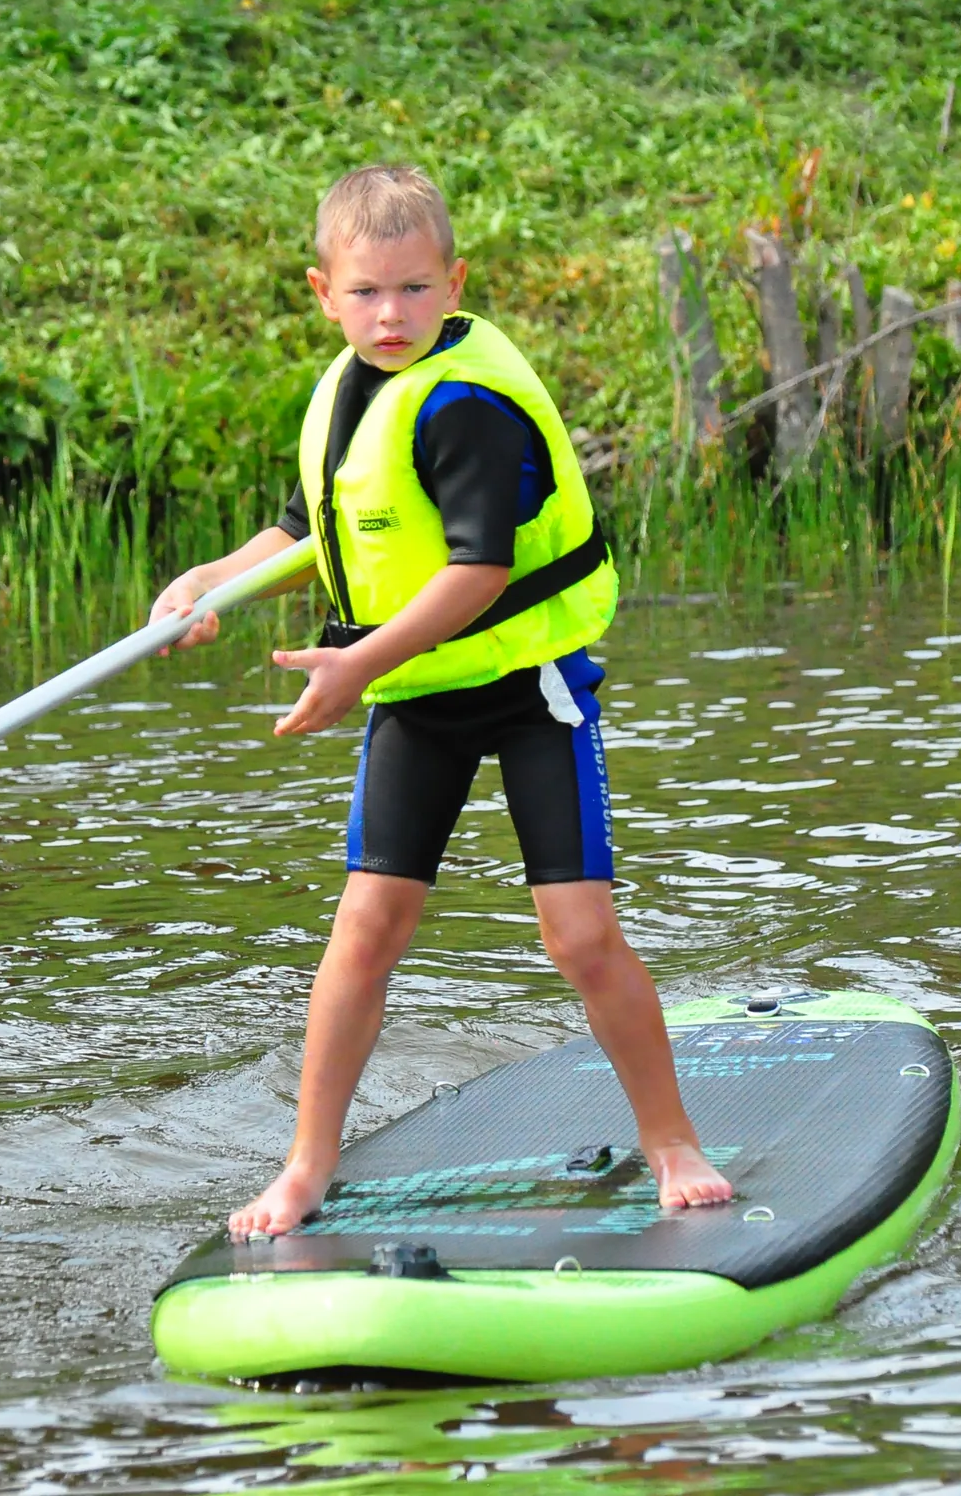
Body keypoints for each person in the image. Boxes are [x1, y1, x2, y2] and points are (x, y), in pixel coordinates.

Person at [151, 164, 734, 1238]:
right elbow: (299, 533)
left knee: (579, 936)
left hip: (525, 687)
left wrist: (357, 663)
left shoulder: (463, 404)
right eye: (367, 292)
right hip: (417, 692)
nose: (391, 315)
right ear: (321, 293)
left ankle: (670, 1139)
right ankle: (307, 1164)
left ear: (453, 282)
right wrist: (206, 584)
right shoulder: (347, 389)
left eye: (416, 290)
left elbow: (475, 570)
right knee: (363, 930)